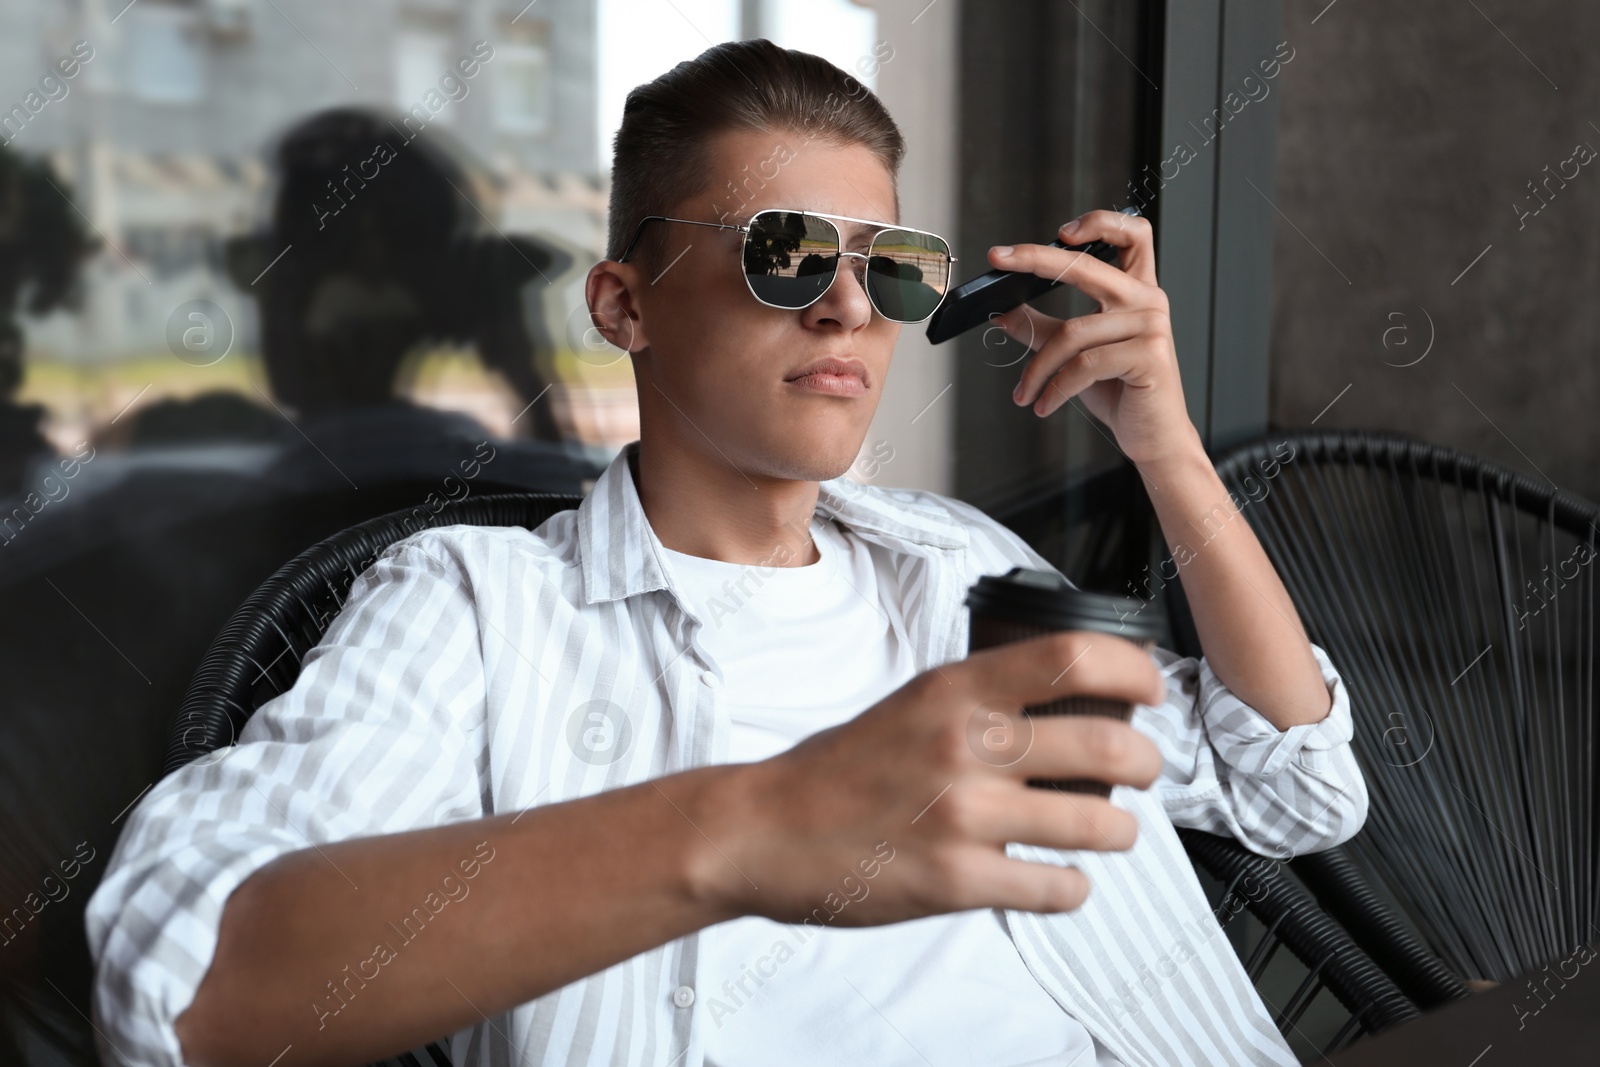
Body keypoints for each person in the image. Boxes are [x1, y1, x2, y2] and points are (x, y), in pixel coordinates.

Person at [85, 38, 1365, 1067]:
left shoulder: (962, 567)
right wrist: (755, 823)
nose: (848, 303)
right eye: (786, 252)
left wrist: (1169, 451)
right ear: (623, 303)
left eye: (892, 267)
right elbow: (186, 992)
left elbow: (1294, 785)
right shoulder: (479, 608)